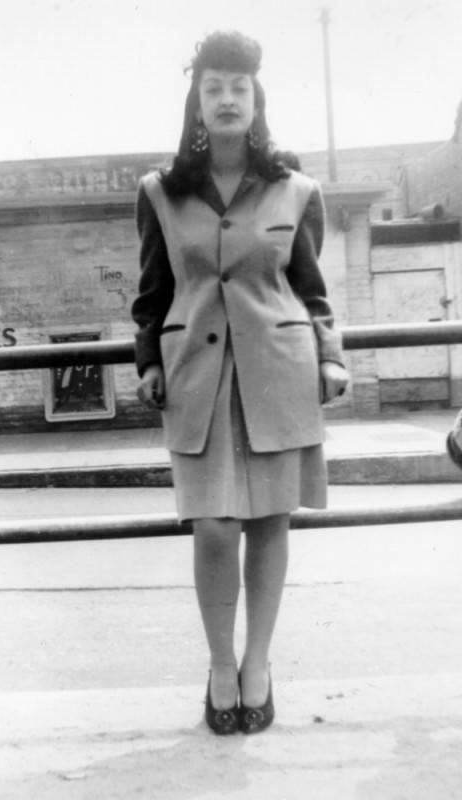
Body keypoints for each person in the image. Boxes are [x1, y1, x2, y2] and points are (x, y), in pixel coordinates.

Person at [131, 31, 349, 735]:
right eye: (214, 87)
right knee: (216, 529)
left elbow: (312, 290)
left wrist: (331, 354)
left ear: (257, 103)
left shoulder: (297, 189)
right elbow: (152, 292)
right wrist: (148, 361)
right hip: (197, 375)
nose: (227, 99)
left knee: (269, 522)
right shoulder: (160, 193)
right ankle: (219, 664)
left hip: (278, 373)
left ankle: (258, 664)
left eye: (239, 88)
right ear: (196, 103)